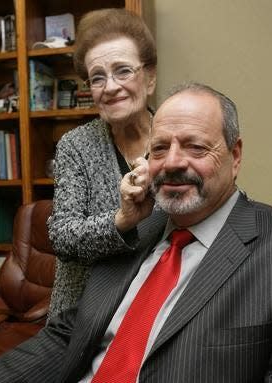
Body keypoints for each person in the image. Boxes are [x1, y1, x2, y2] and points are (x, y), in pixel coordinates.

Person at [0, 83, 272, 383]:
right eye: (159, 148)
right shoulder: (134, 232)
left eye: (195, 146)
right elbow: (71, 335)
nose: (171, 162)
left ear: (234, 155)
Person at [46, 8, 157, 320]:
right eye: (98, 77)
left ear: (149, 78)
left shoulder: (177, 140)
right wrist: (121, 220)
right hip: (79, 315)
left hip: (153, 316)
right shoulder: (75, 146)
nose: (110, 87)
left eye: (123, 71)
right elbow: (62, 238)